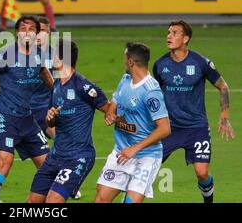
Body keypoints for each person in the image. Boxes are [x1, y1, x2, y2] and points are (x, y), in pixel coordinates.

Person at [153, 20, 234, 203]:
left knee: (202, 172)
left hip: (196, 127)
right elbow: (154, 94)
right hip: (169, 128)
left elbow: (223, 86)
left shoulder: (201, 63)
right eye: (168, 32)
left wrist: (224, 116)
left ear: (186, 38)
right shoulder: (160, 65)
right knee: (148, 167)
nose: (169, 36)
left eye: (174, 33)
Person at [0, 15, 53, 203]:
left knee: (49, 167)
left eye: (32, 29)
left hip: (27, 119)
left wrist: (56, 92)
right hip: (5, 116)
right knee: (5, 162)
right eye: (23, 29)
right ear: (17, 33)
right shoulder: (6, 55)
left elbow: (44, 72)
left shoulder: (40, 54)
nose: (27, 32)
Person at [27, 39, 109, 203]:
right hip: (54, 157)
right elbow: (50, 121)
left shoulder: (83, 86)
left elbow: (108, 108)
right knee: (32, 202)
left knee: (53, 201)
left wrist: (121, 122)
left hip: (77, 157)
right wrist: (50, 119)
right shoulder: (56, 85)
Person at [95, 42, 171, 203]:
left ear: (131, 62)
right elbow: (114, 104)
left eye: (125, 58)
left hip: (146, 156)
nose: (124, 62)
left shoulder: (151, 92)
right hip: (121, 153)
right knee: (100, 200)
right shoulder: (125, 80)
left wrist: (134, 149)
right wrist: (110, 114)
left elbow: (165, 129)